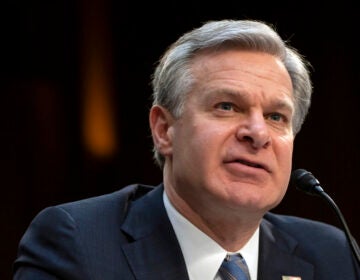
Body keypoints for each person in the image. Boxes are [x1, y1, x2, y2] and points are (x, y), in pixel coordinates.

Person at [13, 19, 360, 280]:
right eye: (227, 106)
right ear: (164, 130)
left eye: (275, 116)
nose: (257, 133)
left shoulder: (332, 254)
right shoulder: (79, 242)